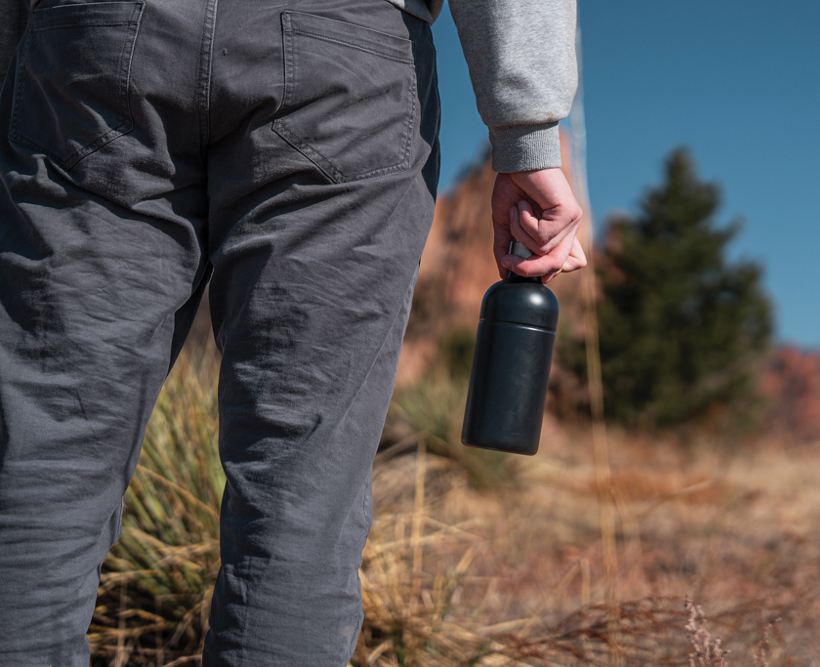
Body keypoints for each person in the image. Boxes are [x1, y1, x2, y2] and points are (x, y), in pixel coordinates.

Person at [0, 0, 585, 663]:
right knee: (300, 490)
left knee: (42, 459)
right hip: (341, 55)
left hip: (95, 40)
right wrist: (528, 135)